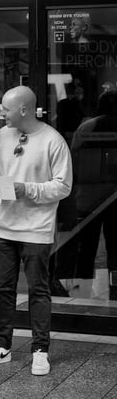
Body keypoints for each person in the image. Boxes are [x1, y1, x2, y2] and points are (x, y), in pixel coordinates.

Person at [0, 86, 72, 375]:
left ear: (23, 110)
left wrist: (27, 189)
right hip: (1, 226)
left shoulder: (53, 140)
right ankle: (2, 346)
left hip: (36, 229)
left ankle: (40, 350)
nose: (1, 114)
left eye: (6, 109)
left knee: (38, 291)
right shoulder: (1, 136)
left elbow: (63, 186)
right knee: (3, 289)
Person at [71, 89, 117, 300]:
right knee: (115, 249)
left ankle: (82, 293)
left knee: (85, 250)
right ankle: (114, 290)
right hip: (113, 197)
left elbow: (73, 158)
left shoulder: (88, 126)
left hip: (88, 197)